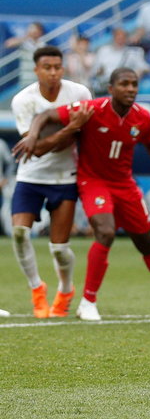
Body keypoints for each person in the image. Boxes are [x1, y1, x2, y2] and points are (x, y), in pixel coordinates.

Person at [14, 68, 150, 321]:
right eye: (124, 84)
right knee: (105, 231)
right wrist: (32, 135)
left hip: (125, 184)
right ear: (111, 88)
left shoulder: (142, 117)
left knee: (146, 243)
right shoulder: (91, 109)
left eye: (134, 84)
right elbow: (45, 114)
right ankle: (88, 302)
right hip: (93, 181)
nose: (130, 89)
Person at [10, 46, 92, 318]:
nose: (53, 72)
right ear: (36, 70)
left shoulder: (79, 93)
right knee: (20, 233)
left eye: (57, 67)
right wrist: (69, 130)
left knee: (59, 248)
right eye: (47, 67)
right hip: (30, 176)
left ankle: (66, 290)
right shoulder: (23, 100)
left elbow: (73, 139)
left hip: (64, 176)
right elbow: (35, 150)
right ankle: (37, 290)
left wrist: (55, 136)